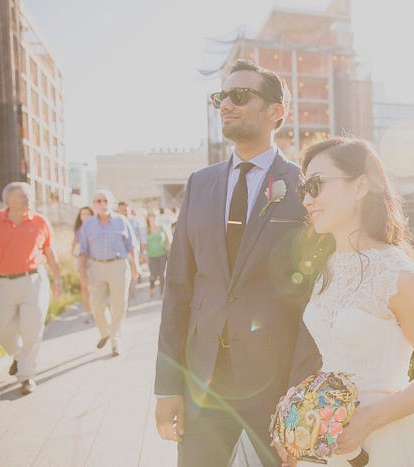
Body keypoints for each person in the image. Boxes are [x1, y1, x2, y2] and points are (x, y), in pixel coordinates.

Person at [154, 59, 320, 467]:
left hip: (276, 383)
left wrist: (301, 394)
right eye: (221, 97)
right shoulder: (199, 183)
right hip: (203, 380)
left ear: (277, 111)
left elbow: (315, 295)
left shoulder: (304, 186)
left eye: (240, 96)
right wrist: (168, 386)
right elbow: (178, 287)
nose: (226, 104)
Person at [277, 137, 414, 466]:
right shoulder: (327, 268)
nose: (306, 199)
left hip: (387, 443)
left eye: (316, 185)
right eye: (304, 189)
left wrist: (369, 420)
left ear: (361, 186)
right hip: (330, 444)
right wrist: (299, 423)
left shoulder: (400, 277)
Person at [0, 182, 63, 395]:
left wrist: (58, 279)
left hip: (33, 281)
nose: (28, 199)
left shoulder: (40, 221)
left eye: (29, 195)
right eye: (22, 196)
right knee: (1, 329)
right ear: (8, 200)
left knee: (32, 329)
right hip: (1, 282)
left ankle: (26, 375)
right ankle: (19, 356)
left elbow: (49, 251)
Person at [78, 189, 139, 357]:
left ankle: (115, 340)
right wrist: (82, 272)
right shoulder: (88, 225)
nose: (102, 204)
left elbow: (132, 246)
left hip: (118, 265)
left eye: (105, 200)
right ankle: (105, 332)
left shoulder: (121, 221)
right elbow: (82, 251)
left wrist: (136, 266)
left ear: (111, 203)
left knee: (119, 305)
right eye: (99, 201)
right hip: (96, 267)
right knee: (97, 305)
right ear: (94, 205)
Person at [117, 201, 147, 300]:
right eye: (121, 210)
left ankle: (131, 294)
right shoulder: (115, 221)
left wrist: (143, 252)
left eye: (125, 210)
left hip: (134, 252)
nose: (123, 212)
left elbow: (142, 238)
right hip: (120, 254)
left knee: (133, 273)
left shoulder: (136, 222)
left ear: (129, 210)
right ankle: (124, 295)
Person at [72, 206, 94, 313]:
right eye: (82, 214)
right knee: (84, 285)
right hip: (81, 259)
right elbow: (75, 241)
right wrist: (73, 251)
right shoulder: (78, 229)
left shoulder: (96, 227)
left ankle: (97, 308)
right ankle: (88, 310)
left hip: (94, 259)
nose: (84, 216)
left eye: (87, 214)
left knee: (95, 285)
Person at [146, 211, 171, 297]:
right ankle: (152, 286)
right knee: (153, 274)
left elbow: (168, 239)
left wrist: (168, 245)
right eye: (150, 215)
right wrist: (144, 254)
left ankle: (162, 293)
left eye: (154, 215)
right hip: (151, 256)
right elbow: (143, 243)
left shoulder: (162, 227)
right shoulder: (146, 229)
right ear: (148, 218)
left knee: (162, 274)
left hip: (162, 254)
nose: (152, 217)